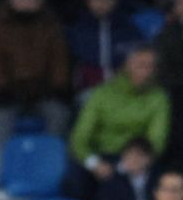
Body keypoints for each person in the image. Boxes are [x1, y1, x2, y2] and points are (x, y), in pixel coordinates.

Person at [0, 0, 71, 146]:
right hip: (7, 93)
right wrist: (2, 89)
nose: (27, 1)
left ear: (40, 1)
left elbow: (60, 62)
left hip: (43, 92)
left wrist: (56, 87)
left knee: (60, 115)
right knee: (0, 120)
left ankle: (49, 161)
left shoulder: (52, 28)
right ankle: (6, 164)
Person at [69, 47, 169, 190]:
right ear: (127, 66)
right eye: (141, 65)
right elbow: (79, 138)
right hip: (101, 155)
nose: (146, 71)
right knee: (76, 179)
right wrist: (94, 163)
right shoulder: (102, 93)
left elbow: (157, 139)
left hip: (137, 157)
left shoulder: (159, 98)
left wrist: (131, 162)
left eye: (150, 66)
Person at [66, 0, 144, 95]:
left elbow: (141, 62)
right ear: (89, 0)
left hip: (126, 89)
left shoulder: (130, 30)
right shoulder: (76, 31)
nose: (102, 2)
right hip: (90, 90)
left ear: (115, 0)